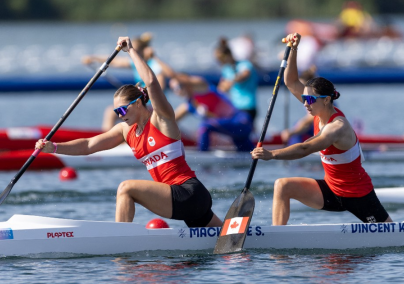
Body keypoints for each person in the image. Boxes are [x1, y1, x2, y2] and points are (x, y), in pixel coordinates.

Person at [36, 36, 222, 228]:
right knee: (223, 240)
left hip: (188, 193)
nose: (119, 115)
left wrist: (131, 50)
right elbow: (89, 145)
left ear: (139, 103)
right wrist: (54, 147)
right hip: (183, 202)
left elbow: (150, 81)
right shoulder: (126, 131)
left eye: (123, 110)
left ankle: (120, 238)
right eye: (117, 111)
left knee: (126, 188)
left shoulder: (162, 119)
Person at [250, 33, 392, 225]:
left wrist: (271, 154)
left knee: (390, 233)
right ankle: (279, 240)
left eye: (310, 100)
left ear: (326, 100)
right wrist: (293, 49)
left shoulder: (338, 127)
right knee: (282, 185)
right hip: (331, 191)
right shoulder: (317, 110)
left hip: (358, 195)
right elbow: (291, 82)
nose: (305, 104)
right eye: (305, 99)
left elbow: (305, 149)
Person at [152, 51, 254, 152]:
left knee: (204, 126)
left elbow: (173, 75)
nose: (177, 91)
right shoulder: (189, 105)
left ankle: (202, 157)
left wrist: (154, 57)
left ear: (186, 82)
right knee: (252, 155)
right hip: (234, 134)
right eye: (174, 89)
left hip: (242, 122)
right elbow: (167, 122)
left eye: (179, 86)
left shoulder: (202, 87)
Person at [81, 32, 166, 131]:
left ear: (144, 51)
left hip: (154, 106)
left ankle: (111, 140)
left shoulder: (154, 65)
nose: (132, 55)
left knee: (111, 112)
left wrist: (141, 93)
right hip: (140, 104)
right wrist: (93, 58)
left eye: (136, 51)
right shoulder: (135, 63)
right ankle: (110, 138)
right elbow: (115, 61)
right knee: (113, 112)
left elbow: (160, 88)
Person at [215, 37, 259, 124]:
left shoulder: (245, 64)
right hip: (234, 108)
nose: (219, 62)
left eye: (221, 59)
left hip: (248, 107)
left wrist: (231, 81)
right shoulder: (225, 69)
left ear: (228, 55)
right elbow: (221, 89)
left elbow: (244, 75)